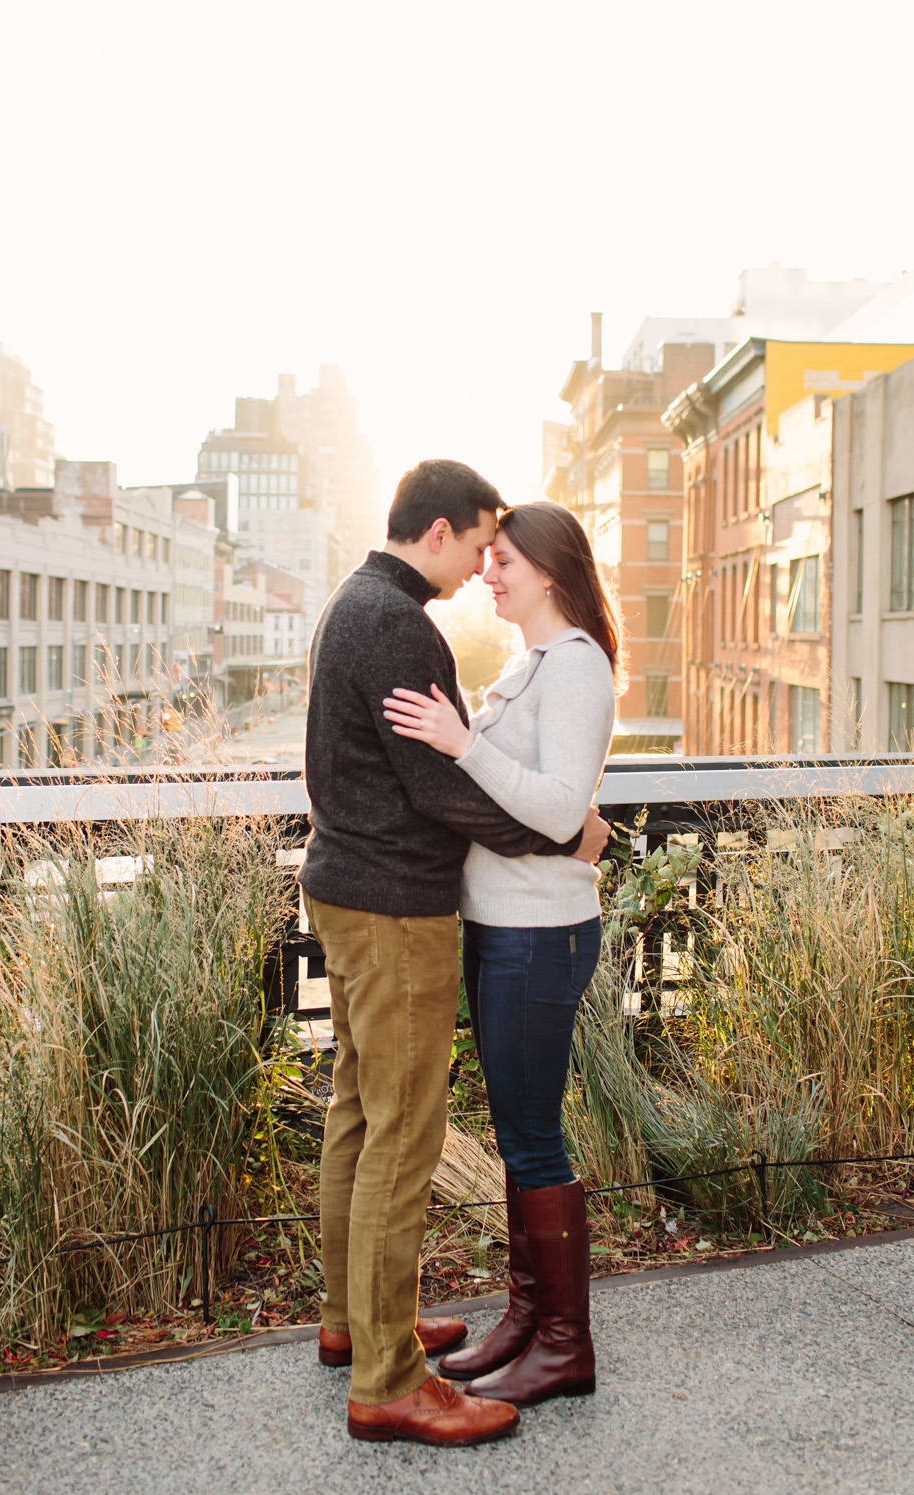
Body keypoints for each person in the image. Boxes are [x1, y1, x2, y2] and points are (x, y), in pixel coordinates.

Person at [299, 460, 609, 1448]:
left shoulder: (359, 605)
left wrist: (554, 822)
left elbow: (464, 774)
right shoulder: (395, 624)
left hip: (361, 891)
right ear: (438, 532)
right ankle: (389, 1373)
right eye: (480, 544)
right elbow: (442, 789)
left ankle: (360, 1321)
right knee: (399, 1131)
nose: (482, 566)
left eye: (501, 555)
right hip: (392, 905)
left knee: (361, 1112)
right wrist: (567, 834)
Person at [380, 499, 617, 1406]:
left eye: (505, 561)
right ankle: (528, 1318)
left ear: (550, 572)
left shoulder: (577, 667)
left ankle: (565, 1344)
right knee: (521, 1135)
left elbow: (560, 809)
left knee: (532, 1138)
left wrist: (462, 743)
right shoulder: (535, 663)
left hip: (540, 931)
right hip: (501, 926)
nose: (488, 573)